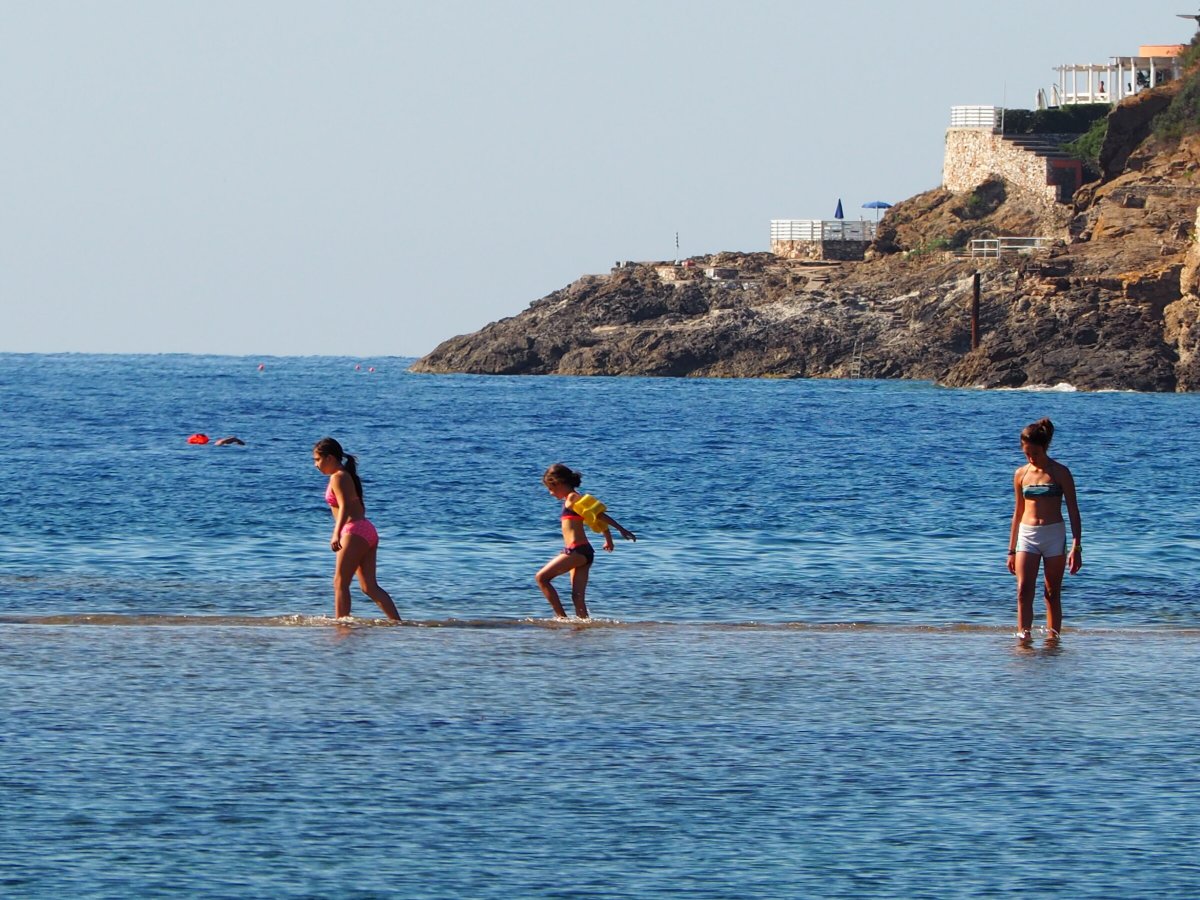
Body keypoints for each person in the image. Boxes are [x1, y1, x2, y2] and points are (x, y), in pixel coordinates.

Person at [1006, 418, 1082, 639]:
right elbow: (1017, 512)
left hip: (1053, 535)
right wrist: (1011, 550)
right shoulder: (1021, 474)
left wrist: (1076, 546)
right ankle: (1024, 637)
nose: (1031, 458)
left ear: (1045, 447)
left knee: (1051, 593)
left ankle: (1053, 639)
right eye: (1027, 454)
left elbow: (1074, 511)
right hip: (1027, 535)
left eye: (1035, 453)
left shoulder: (1061, 473)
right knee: (1023, 591)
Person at [312, 437, 401, 622]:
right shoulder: (346, 475)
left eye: (317, 459)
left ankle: (341, 624)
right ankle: (397, 623)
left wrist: (336, 533)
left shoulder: (338, 476)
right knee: (369, 587)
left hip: (353, 532)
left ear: (329, 458)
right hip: (365, 529)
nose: (316, 465)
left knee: (339, 582)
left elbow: (344, 506)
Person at [536, 463, 636, 619]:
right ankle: (582, 628)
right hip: (585, 552)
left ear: (560, 483)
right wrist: (608, 539)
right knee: (577, 597)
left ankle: (561, 618)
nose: (550, 493)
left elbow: (598, 514)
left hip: (576, 551)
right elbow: (593, 519)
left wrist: (621, 529)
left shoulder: (572, 498)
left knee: (541, 578)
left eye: (551, 488)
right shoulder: (571, 499)